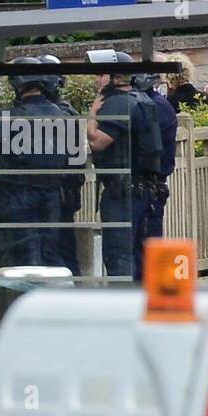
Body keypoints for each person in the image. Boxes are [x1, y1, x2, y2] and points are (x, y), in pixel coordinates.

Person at [0, 58, 71, 268]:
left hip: (17, 194)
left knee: (23, 258)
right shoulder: (63, 115)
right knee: (50, 253)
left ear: (17, 83)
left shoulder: (6, 118)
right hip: (52, 194)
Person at [84, 50, 148, 279]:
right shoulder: (139, 99)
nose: (97, 79)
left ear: (116, 77)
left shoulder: (117, 104)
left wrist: (92, 114)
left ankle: (124, 307)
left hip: (122, 191)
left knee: (118, 255)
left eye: (101, 74)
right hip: (139, 189)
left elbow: (97, 142)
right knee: (136, 253)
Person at [40, 55, 83, 275]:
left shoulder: (61, 113)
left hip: (59, 192)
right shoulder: (64, 112)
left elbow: (75, 160)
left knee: (58, 251)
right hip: (63, 191)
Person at [133, 66, 178, 268]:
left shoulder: (152, 107)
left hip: (148, 187)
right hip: (153, 186)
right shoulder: (159, 104)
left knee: (144, 251)